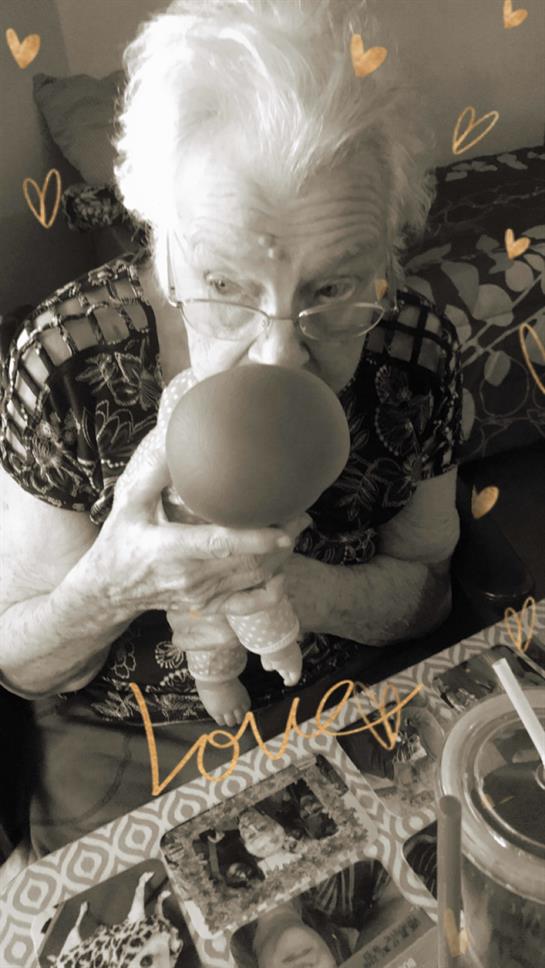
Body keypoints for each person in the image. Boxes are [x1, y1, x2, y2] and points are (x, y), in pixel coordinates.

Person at [0, 0, 462, 861]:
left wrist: (294, 591)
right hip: (137, 736)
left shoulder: (415, 352)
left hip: (350, 696)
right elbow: (21, 665)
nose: (280, 350)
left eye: (333, 289)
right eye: (222, 279)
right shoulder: (63, 363)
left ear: (386, 257)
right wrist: (116, 583)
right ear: (161, 245)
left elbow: (430, 588)